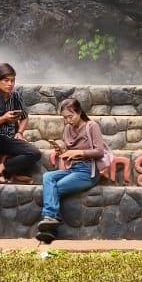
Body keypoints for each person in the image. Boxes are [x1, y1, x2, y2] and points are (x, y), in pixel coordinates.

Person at [36, 97, 111, 241]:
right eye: (65, 118)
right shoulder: (67, 129)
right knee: (48, 177)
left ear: (79, 112)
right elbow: (67, 154)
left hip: (88, 171)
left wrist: (79, 153)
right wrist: (61, 151)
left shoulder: (91, 126)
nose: (68, 120)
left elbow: (99, 151)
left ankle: (51, 218)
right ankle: (51, 222)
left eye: (70, 116)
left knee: (54, 188)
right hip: (73, 169)